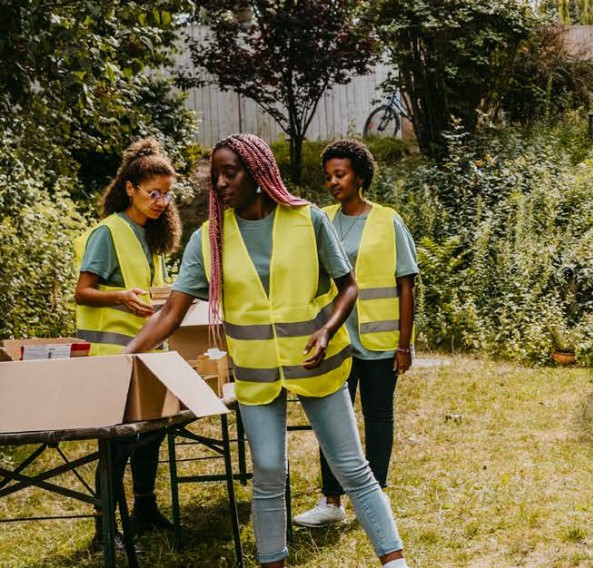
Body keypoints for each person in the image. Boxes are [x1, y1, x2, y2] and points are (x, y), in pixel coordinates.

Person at [123, 134, 411, 568]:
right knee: (270, 473)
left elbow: (347, 285)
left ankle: (395, 562)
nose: (219, 183)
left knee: (352, 468)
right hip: (256, 374)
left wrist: (328, 329)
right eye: (214, 175)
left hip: (318, 364)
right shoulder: (210, 239)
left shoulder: (307, 219)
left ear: (258, 173)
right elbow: (171, 314)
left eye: (230, 172)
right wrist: (123, 356)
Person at [293, 139, 418, 528]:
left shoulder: (388, 220)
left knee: (378, 417)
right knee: (332, 421)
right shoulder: (321, 220)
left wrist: (405, 344)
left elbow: (407, 284)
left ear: (360, 176)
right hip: (336, 341)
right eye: (328, 175)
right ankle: (331, 501)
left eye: (340, 174)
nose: (332, 182)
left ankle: (374, 497)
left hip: (380, 343)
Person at [73, 138, 182, 550]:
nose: (161, 201)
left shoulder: (147, 235)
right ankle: (103, 530)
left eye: (167, 194)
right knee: (116, 446)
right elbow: (84, 291)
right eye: (153, 193)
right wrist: (120, 296)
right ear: (130, 188)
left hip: (144, 355)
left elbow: (146, 291)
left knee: (149, 436)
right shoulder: (108, 232)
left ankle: (145, 508)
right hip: (111, 357)